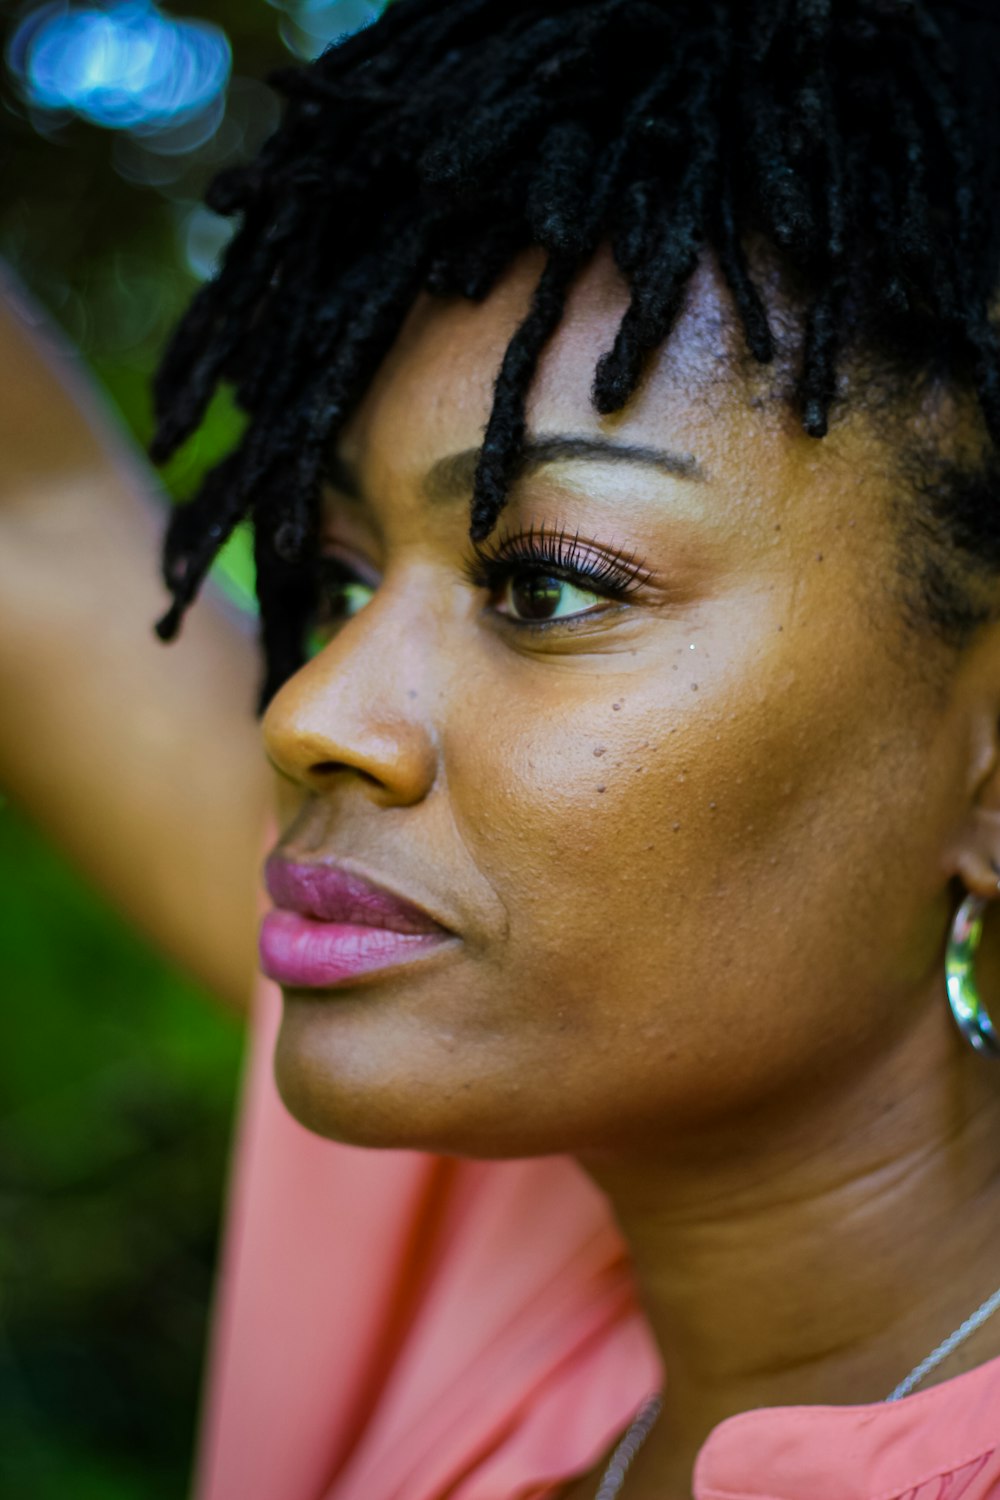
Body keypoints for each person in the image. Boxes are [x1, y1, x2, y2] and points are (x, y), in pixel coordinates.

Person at [6, 0, 1000, 1495]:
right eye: (339, 580)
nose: (307, 712)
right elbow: (34, 525)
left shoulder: (460, 1195)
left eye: (545, 585)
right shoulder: (486, 1136)